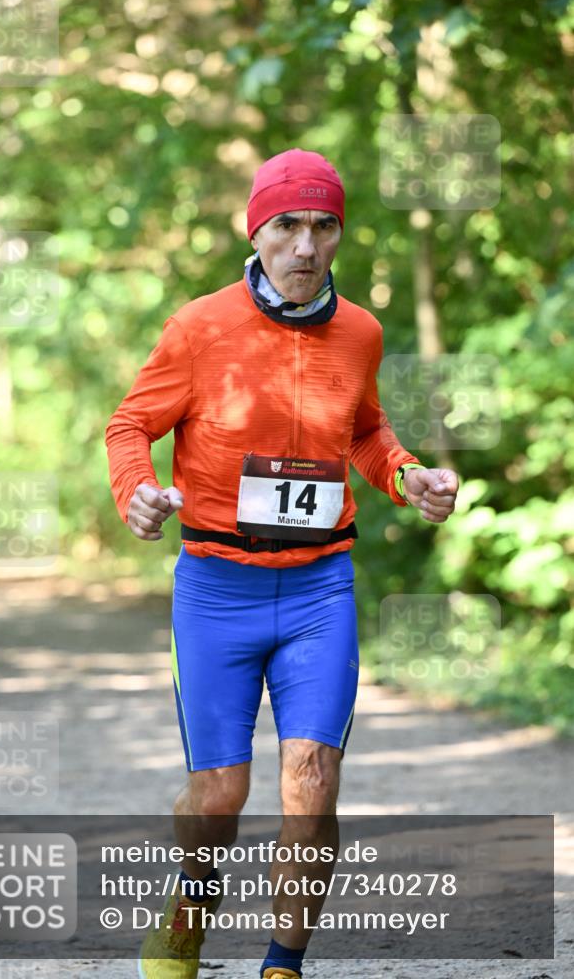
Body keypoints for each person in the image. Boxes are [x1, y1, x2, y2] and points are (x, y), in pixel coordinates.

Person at [105, 149, 459, 979]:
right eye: (287, 226)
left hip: (317, 589)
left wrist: (407, 476)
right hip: (216, 588)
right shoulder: (200, 327)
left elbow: (364, 432)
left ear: (338, 234)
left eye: (323, 226)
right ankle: (189, 911)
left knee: (312, 778)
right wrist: (137, 492)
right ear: (256, 232)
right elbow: (130, 425)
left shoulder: (360, 332)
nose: (305, 245)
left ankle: (282, 964)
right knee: (220, 794)